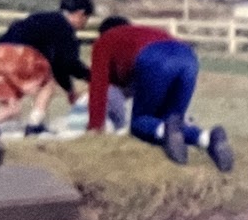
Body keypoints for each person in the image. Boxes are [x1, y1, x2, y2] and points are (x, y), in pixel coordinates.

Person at [86, 16, 234, 173]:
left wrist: (95, 127)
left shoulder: (104, 41)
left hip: (155, 58)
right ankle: (207, 138)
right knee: (173, 119)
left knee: (139, 122)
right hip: (188, 57)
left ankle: (164, 130)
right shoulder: (143, 33)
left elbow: (98, 86)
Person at [0, 0, 95, 137]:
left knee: (12, 107)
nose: (84, 24)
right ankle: (35, 124)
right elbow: (66, 63)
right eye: (86, 19)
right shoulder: (64, 27)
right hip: (20, 54)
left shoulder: (40, 17)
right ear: (80, 13)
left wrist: (70, 88)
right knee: (47, 83)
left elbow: (60, 64)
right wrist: (89, 79)